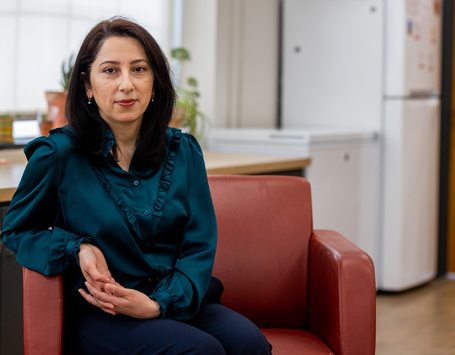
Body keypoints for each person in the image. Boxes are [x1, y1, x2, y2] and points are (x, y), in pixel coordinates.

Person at [1, 17, 272, 355]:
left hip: (175, 299)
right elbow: (17, 230)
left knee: (250, 345)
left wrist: (157, 304)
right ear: (87, 85)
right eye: (110, 70)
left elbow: (198, 246)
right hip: (104, 312)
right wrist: (77, 247)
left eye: (139, 69)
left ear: (155, 81)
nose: (126, 84)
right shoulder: (58, 155)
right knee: (200, 351)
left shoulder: (183, 151)